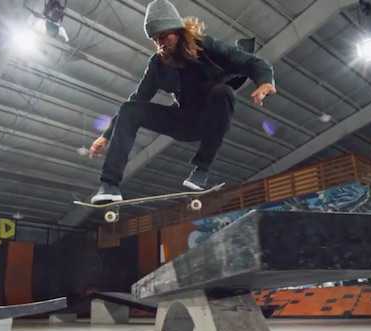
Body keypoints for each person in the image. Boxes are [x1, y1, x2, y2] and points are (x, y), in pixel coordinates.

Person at [89, 0, 276, 203]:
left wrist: (265, 82)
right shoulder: (157, 65)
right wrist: (106, 135)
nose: (160, 44)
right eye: (155, 39)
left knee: (223, 92)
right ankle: (109, 185)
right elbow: (137, 99)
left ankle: (201, 170)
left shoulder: (206, 46)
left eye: (163, 36)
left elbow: (251, 61)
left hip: (208, 119)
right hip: (182, 121)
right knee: (129, 109)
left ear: (178, 31)